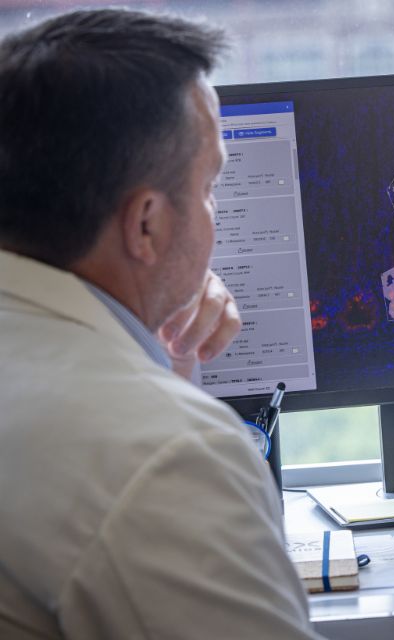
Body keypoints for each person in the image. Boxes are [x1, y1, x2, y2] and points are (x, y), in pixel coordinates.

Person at [0, 9, 319, 639]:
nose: (212, 219)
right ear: (146, 224)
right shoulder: (167, 455)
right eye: (209, 189)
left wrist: (161, 355)